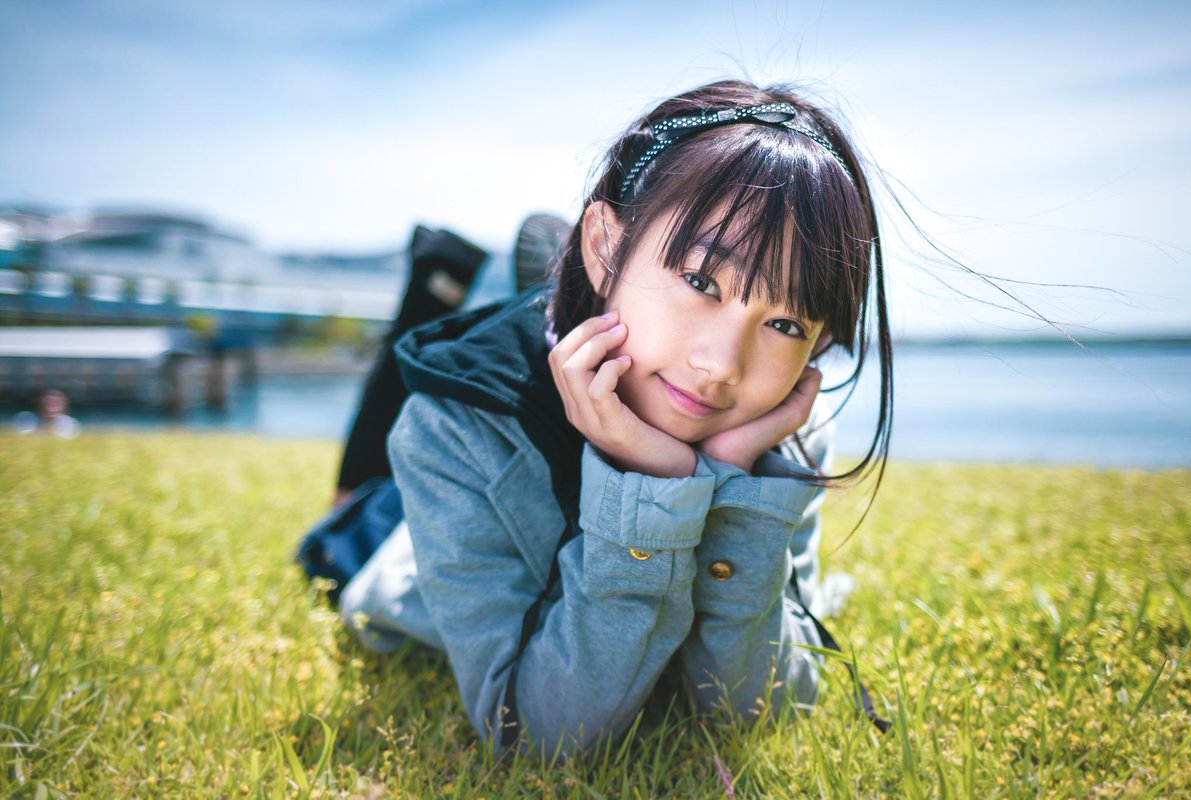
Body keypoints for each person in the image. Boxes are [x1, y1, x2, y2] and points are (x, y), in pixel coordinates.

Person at [317, 79, 894, 756]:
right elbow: (533, 735)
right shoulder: (455, 425)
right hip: (402, 530)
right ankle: (455, 275)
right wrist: (651, 490)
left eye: (785, 321)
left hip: (603, 312)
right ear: (606, 244)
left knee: (585, 302)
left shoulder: (784, 425)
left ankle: (559, 274)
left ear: (819, 342)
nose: (723, 366)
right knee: (359, 507)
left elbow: (757, 707)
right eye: (703, 281)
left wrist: (727, 481)